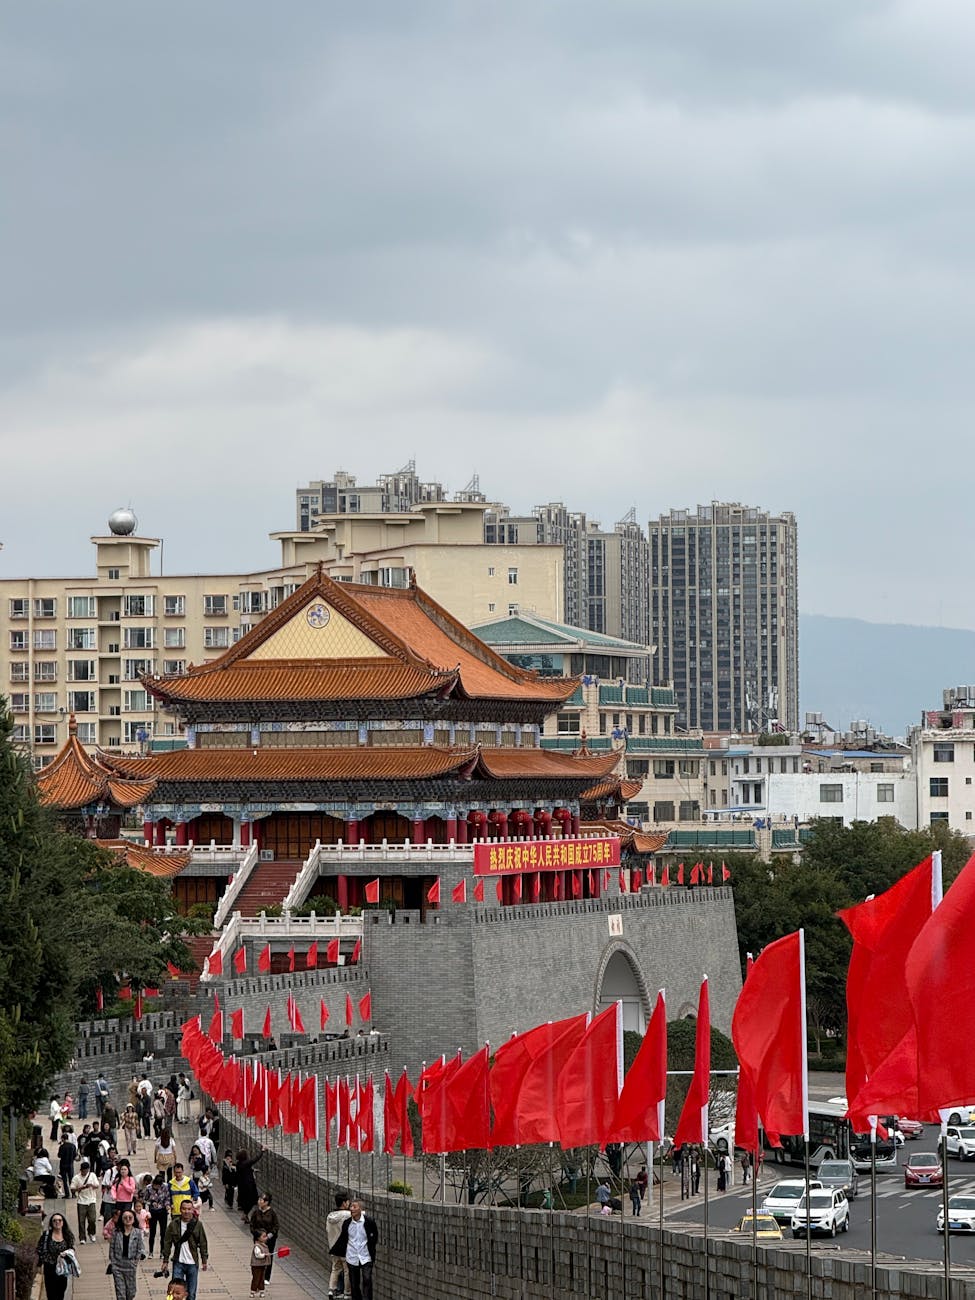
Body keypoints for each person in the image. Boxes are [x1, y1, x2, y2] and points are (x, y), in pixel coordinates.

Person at [160, 1199, 209, 1300]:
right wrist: (165, 1260)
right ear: (180, 1210)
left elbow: (203, 1243)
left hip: (192, 1263)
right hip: (178, 1262)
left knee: (191, 1294)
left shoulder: (198, 1225)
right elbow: (167, 1242)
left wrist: (204, 1260)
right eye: (184, 1209)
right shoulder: (173, 1224)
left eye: (189, 1209)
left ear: (192, 1210)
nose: (186, 1211)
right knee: (173, 1292)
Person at [330, 1198, 378, 1300]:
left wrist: (371, 1249)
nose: (351, 1209)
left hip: (366, 1256)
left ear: (361, 1209)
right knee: (354, 1284)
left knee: (367, 1279)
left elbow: (374, 1237)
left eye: (354, 1207)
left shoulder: (369, 1221)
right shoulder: (347, 1223)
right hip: (352, 1256)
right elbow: (343, 1239)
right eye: (351, 1206)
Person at [109, 1207, 146, 1300]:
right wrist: (113, 1263)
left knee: (131, 1292)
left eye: (130, 1217)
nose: (128, 1219)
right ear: (122, 1219)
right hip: (118, 1265)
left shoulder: (137, 1232)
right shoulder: (116, 1232)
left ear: (134, 1219)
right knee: (120, 1292)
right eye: (125, 1217)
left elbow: (140, 1248)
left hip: (130, 1265)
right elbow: (111, 1248)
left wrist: (135, 1261)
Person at [36, 1212, 75, 1300]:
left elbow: (72, 1249)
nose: (57, 1222)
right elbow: (39, 1249)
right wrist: (42, 1261)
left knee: (61, 1292)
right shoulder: (46, 1235)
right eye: (54, 1221)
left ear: (63, 1222)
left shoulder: (67, 1236)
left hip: (62, 1269)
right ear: (51, 1223)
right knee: (51, 1294)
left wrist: (67, 1254)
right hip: (50, 1268)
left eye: (59, 1220)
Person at [326, 1191, 351, 1300]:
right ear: (345, 1203)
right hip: (345, 1247)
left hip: (333, 1247)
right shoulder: (347, 1215)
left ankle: (331, 1290)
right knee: (346, 1270)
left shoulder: (330, 1216)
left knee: (335, 1269)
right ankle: (347, 1292)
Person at [248, 1193, 279, 1281]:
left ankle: (266, 1277)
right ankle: (258, 1276)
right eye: (259, 1200)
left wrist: (268, 1236)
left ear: (266, 1202)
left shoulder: (272, 1213)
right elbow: (252, 1224)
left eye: (261, 1200)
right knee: (258, 1255)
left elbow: (276, 1226)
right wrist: (256, 1235)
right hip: (258, 1239)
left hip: (269, 1239)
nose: (259, 1202)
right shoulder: (256, 1212)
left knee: (268, 1256)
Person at [71, 1159, 100, 1243]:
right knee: (81, 1221)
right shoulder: (76, 1178)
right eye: (84, 1171)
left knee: (92, 1219)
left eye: (87, 1170)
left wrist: (91, 1185)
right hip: (81, 1201)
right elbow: (72, 1189)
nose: (85, 1172)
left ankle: (92, 1232)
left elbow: (97, 1186)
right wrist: (81, 1187)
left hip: (91, 1200)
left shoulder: (92, 1175)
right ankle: (82, 1237)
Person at [235, 1146, 265, 1219]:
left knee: (246, 1201)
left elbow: (244, 1171)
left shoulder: (239, 1163)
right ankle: (245, 1214)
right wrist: (262, 1151)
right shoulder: (245, 1163)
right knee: (253, 1200)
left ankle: (246, 1215)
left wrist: (253, 1170)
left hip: (242, 1185)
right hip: (248, 1186)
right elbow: (255, 1159)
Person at [146, 1171, 171, 1257]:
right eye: (155, 1185)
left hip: (163, 1212)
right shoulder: (149, 1188)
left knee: (163, 1232)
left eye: (158, 1185)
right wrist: (151, 1203)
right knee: (152, 1232)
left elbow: (168, 1198)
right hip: (153, 1212)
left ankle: (162, 1252)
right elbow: (145, 1199)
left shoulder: (165, 1187)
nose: (156, 1187)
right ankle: (151, 1252)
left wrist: (167, 1205)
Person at [58, 1129, 77, 1198]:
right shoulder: (72, 1146)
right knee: (71, 1180)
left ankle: (67, 1194)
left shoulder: (62, 1147)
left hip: (63, 1164)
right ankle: (73, 1194)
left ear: (63, 1139)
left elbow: (59, 1155)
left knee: (64, 1180)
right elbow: (75, 1155)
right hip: (70, 1164)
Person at [250, 1229, 270, 1295]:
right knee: (256, 1278)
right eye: (264, 1236)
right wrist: (265, 1255)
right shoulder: (257, 1246)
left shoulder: (264, 1245)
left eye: (266, 1236)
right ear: (258, 1238)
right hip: (256, 1265)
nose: (266, 1238)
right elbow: (258, 1255)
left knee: (262, 1278)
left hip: (262, 1264)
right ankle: (253, 1290)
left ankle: (261, 1290)